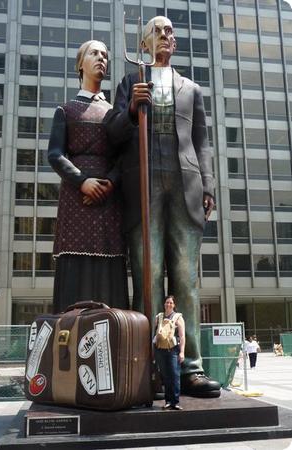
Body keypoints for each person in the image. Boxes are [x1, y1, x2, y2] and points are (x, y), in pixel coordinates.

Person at [105, 16, 220, 397]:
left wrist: (209, 184)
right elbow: (114, 134)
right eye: (159, 31)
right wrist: (131, 110)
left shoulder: (192, 88)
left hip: (184, 185)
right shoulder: (130, 82)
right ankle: (147, 366)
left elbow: (201, 141)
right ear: (144, 43)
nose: (168, 36)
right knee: (147, 279)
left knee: (185, 279)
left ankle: (191, 368)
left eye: (170, 31)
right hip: (143, 186)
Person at [48, 40, 129, 313]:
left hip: (110, 199)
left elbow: (123, 156)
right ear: (80, 64)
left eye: (105, 55)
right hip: (75, 199)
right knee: (74, 265)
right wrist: (82, 181)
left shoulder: (114, 113)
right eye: (94, 53)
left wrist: (110, 183)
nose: (101, 59)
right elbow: (55, 155)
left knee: (111, 264)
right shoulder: (65, 110)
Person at [154, 295, 185, 410]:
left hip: (173, 350)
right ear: (164, 304)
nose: (169, 305)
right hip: (161, 350)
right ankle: (168, 401)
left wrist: (182, 352)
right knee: (165, 376)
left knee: (174, 376)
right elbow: (155, 333)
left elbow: (182, 336)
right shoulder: (159, 317)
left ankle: (175, 402)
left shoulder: (178, 317)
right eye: (167, 302)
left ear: (174, 305)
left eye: (171, 303)